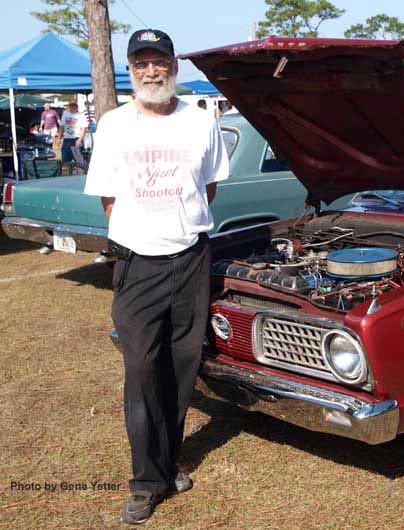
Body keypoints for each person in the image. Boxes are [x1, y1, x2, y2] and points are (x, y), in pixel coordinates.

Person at [83, 28, 229, 525]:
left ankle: (167, 464)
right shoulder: (114, 125)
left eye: (159, 61)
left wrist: (179, 229)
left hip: (190, 259)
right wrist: (138, 237)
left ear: (173, 67)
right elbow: (108, 197)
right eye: (141, 63)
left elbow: (206, 187)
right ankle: (146, 482)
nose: (151, 71)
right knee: (141, 370)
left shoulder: (201, 121)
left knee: (183, 364)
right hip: (138, 263)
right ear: (130, 70)